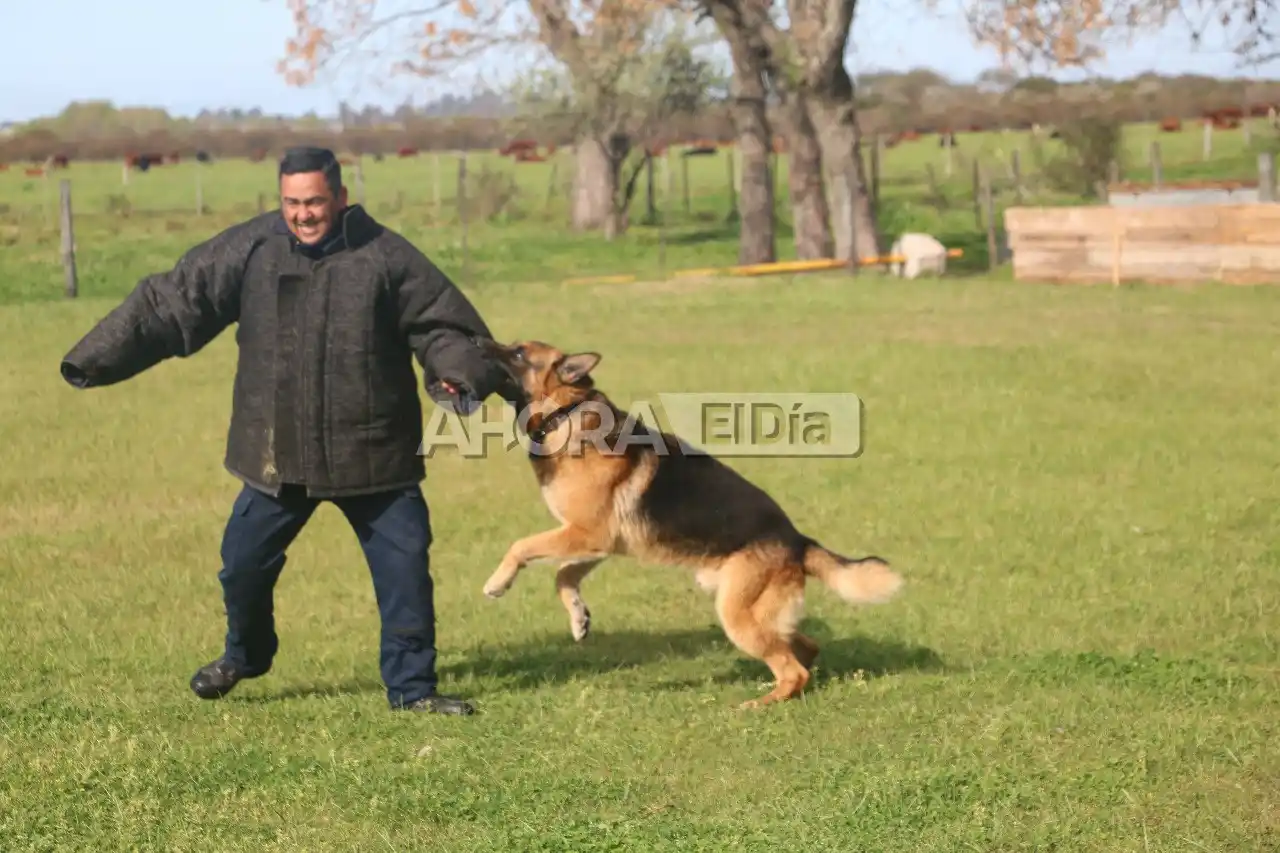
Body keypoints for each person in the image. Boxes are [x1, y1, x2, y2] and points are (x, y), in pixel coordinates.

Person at [59, 145, 519, 716]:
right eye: (291, 203)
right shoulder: (252, 248)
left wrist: (456, 373)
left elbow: (443, 325)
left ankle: (413, 689)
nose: (302, 214)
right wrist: (94, 358)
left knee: (405, 574)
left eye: (315, 202)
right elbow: (175, 299)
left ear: (341, 198)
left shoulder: (387, 255)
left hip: (373, 452)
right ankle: (245, 655)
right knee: (242, 567)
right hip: (277, 453)